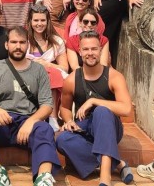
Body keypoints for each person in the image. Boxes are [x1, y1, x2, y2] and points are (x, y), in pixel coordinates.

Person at [0, 27, 58, 186]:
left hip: (26, 126)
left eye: (22, 42)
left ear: (27, 45)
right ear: (6, 45)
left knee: (45, 129)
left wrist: (31, 121)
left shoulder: (39, 70)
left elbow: (47, 105)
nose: (18, 46)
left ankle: (44, 177)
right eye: (14, 42)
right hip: (2, 122)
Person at [56, 31, 134, 186]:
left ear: (100, 50)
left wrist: (94, 101)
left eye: (94, 49)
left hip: (109, 128)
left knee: (102, 111)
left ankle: (105, 178)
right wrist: (69, 120)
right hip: (84, 128)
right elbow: (64, 107)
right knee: (60, 138)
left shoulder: (113, 76)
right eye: (86, 49)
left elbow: (126, 109)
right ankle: (117, 163)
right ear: (79, 51)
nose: (90, 53)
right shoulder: (72, 80)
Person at [26, 5, 68, 131]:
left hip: (49, 76)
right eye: (36, 20)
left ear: (48, 21)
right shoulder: (23, 40)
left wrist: (47, 64)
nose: (39, 24)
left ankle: (53, 118)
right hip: (27, 74)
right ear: (30, 21)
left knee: (52, 74)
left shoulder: (57, 41)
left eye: (43, 20)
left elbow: (64, 68)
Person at [64, 5, 109, 70]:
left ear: (96, 25)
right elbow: (74, 67)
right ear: (80, 23)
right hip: (79, 75)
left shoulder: (103, 40)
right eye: (85, 22)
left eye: (93, 23)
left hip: (99, 74)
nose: (89, 25)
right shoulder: (71, 41)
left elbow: (103, 64)